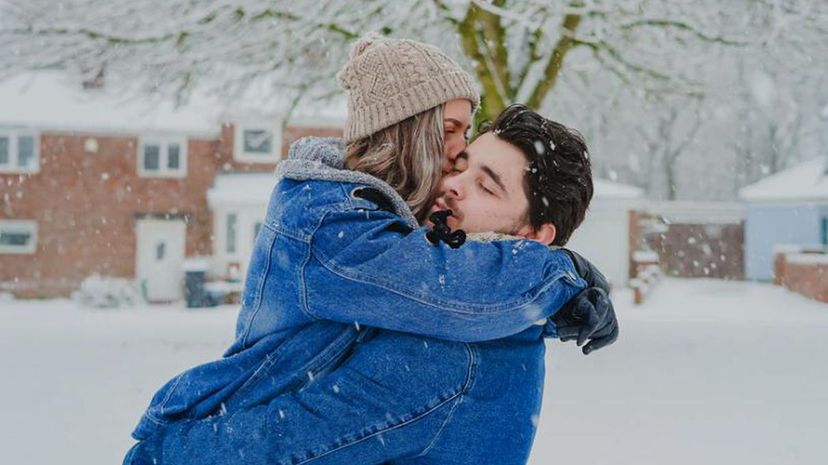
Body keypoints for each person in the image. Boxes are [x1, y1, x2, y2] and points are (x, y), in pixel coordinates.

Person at [125, 36, 616, 465]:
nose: (452, 182)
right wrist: (563, 277)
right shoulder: (343, 230)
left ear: (535, 238)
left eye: (486, 187)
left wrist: (163, 453)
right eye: (458, 157)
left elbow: (286, 444)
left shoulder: (452, 350)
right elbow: (443, 282)